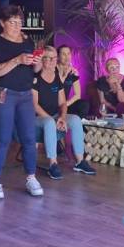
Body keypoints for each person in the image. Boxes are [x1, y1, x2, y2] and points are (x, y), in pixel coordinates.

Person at [0, 5, 44, 198]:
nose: (17, 26)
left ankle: (31, 177)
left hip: (25, 95)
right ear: (2, 23)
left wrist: (38, 63)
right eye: (12, 22)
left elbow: (35, 71)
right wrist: (17, 60)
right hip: (4, 94)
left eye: (19, 22)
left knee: (29, 139)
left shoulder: (27, 40)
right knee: (2, 139)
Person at [33, 46, 96, 180]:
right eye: (48, 58)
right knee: (49, 122)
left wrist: (61, 117)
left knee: (75, 119)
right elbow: (35, 105)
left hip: (55, 115)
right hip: (38, 118)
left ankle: (80, 161)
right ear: (41, 60)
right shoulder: (35, 78)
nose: (51, 61)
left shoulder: (56, 78)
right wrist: (53, 119)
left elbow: (62, 103)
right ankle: (53, 164)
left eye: (53, 58)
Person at [56, 45, 88, 117]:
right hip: (53, 104)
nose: (67, 57)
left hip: (64, 104)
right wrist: (65, 74)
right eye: (63, 54)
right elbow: (56, 88)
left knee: (84, 104)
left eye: (68, 53)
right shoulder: (53, 69)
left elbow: (77, 95)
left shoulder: (73, 72)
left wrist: (65, 105)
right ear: (58, 56)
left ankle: (76, 123)